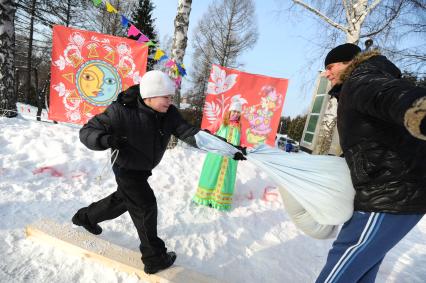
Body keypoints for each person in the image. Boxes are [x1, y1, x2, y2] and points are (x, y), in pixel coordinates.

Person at [71, 70, 244, 274]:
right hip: (126, 168)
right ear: (149, 96)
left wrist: (230, 149)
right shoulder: (121, 111)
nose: (170, 101)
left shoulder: (169, 114)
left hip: (143, 168)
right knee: (145, 206)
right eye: (166, 97)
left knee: (124, 200)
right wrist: (106, 140)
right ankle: (154, 257)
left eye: (171, 97)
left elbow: (191, 134)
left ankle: (86, 217)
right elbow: (87, 132)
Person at [316, 43, 426, 283]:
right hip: (394, 191)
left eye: (330, 66)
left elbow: (390, 95)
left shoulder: (361, 79)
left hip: (389, 194)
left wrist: (419, 111)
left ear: (348, 63)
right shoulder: (356, 85)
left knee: (343, 264)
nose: (326, 73)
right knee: (361, 272)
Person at [193, 100, 245, 211]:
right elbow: (210, 130)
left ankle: (218, 201)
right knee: (211, 174)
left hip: (230, 158)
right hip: (216, 155)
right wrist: (204, 132)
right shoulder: (221, 121)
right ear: (230, 111)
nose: (236, 114)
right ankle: (205, 198)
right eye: (234, 111)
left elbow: (242, 141)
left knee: (225, 178)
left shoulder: (240, 127)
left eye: (238, 112)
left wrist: (243, 150)